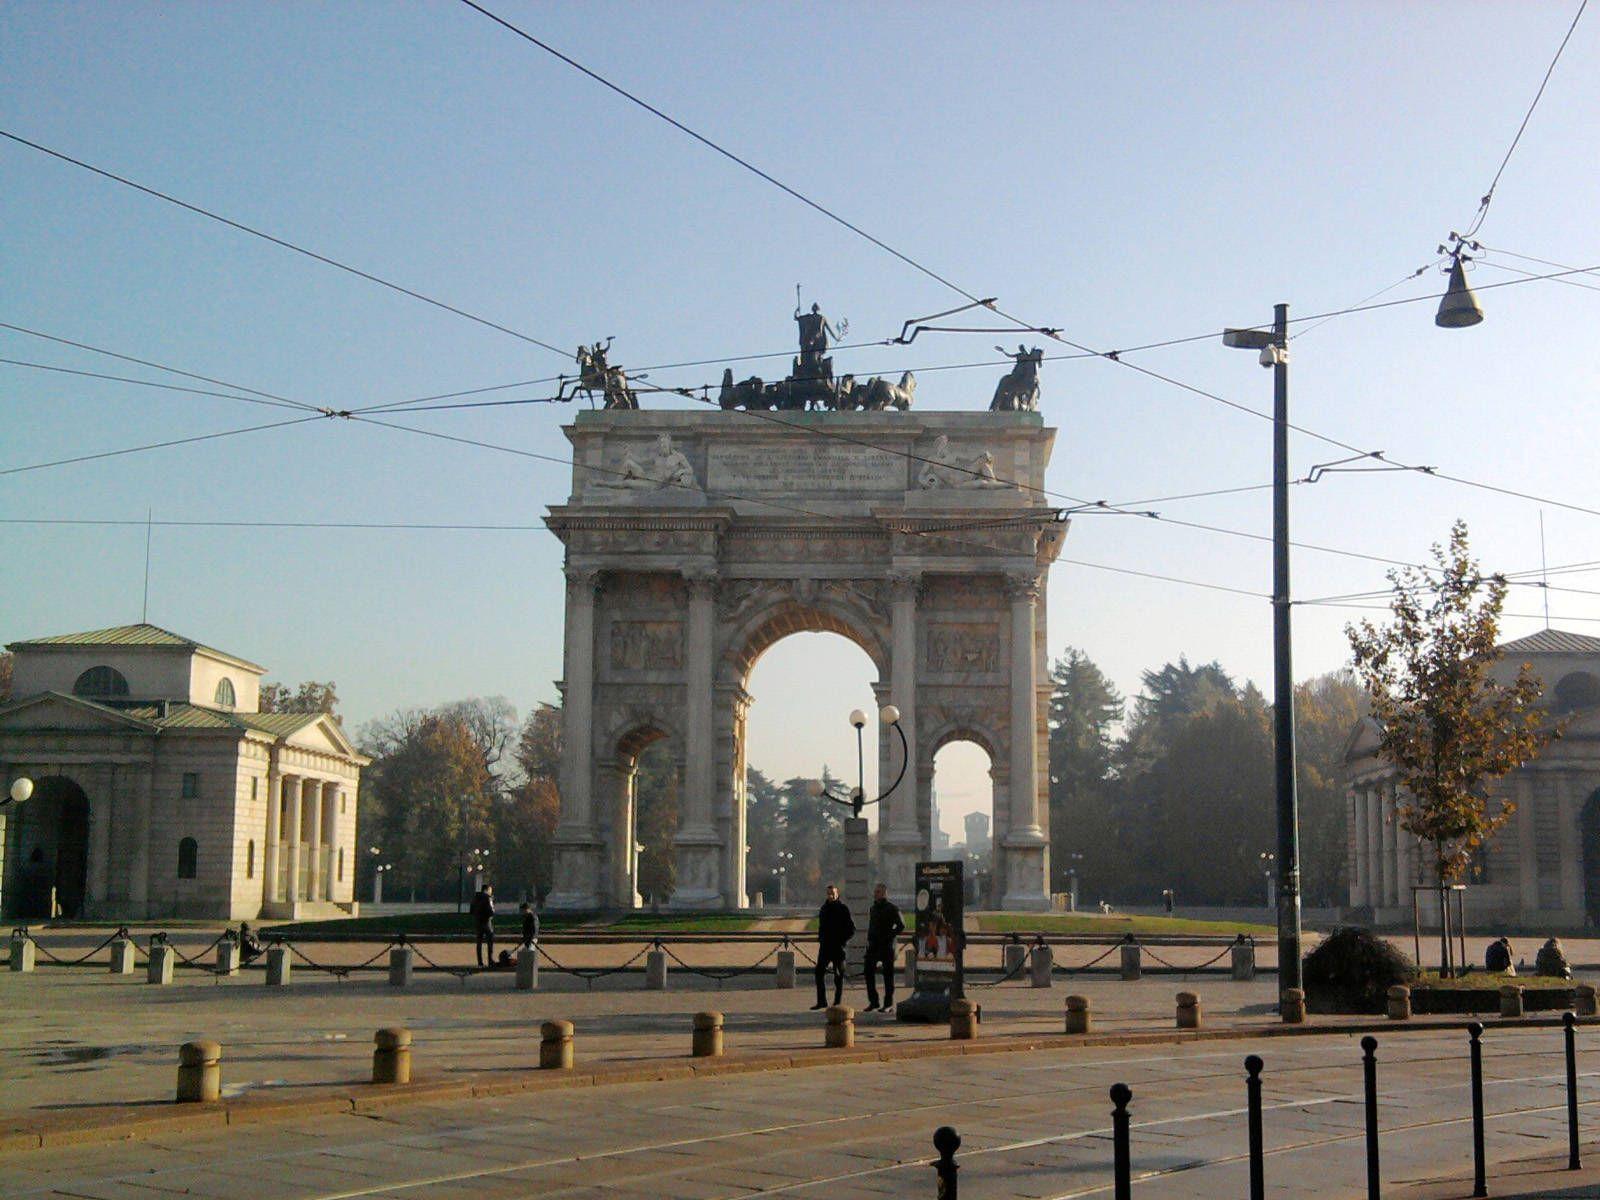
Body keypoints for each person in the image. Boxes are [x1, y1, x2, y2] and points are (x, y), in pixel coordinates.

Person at [811, 883, 855, 1011]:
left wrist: (842, 941)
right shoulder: (824, 909)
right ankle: (821, 1001)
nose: (830, 896)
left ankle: (837, 1002)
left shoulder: (843, 909)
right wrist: (821, 938)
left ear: (837, 894)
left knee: (838, 975)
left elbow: (851, 929)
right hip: (825, 947)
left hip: (838, 947)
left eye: (832, 893)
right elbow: (822, 927)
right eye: (829, 893)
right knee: (819, 972)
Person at [864, 883, 905, 1014]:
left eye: (878, 892)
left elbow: (901, 925)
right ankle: (874, 1001)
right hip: (874, 946)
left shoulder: (892, 908)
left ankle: (888, 1004)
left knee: (888, 976)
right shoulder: (873, 908)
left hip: (887, 946)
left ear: (884, 893)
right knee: (868, 972)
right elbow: (872, 926)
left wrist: (890, 935)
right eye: (875, 892)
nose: (875, 894)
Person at [470, 884, 496, 967]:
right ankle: (490, 961)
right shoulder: (488, 898)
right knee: (490, 942)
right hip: (487, 922)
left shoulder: (475, 898)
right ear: (487, 889)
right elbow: (492, 911)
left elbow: (471, 910)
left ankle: (480, 962)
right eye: (490, 890)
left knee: (479, 942)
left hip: (478, 922)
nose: (491, 892)